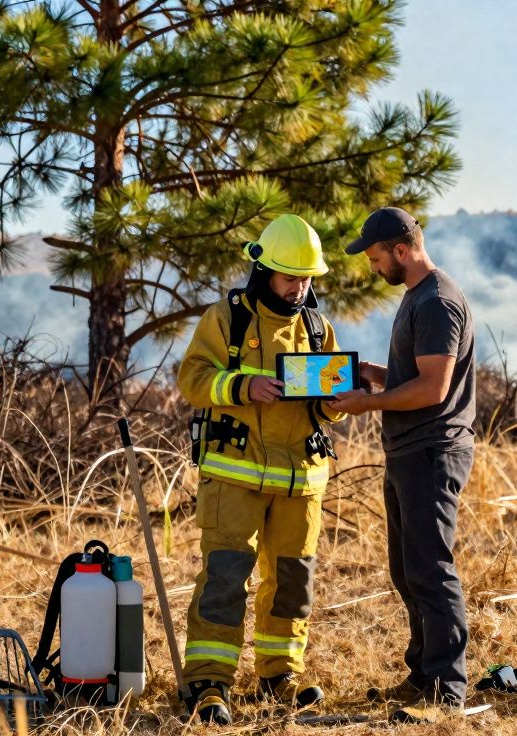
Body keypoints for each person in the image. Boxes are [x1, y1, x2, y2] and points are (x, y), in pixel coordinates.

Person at [176, 214, 347, 725]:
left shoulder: (317, 327)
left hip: (302, 482)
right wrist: (242, 386)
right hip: (235, 478)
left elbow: (329, 403)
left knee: (294, 582)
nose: (300, 288)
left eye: (307, 278)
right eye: (291, 277)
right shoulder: (227, 318)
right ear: (264, 271)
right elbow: (192, 378)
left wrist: (337, 399)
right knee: (226, 579)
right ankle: (210, 682)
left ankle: (280, 676)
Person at [331, 207, 476, 724]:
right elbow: (412, 373)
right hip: (408, 451)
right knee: (406, 569)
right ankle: (423, 673)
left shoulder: (437, 302)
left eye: (375, 258)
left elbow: (433, 388)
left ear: (401, 249)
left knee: (431, 569)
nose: (373, 268)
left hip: (432, 451)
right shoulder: (417, 298)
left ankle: (447, 688)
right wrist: (369, 372)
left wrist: (367, 403)